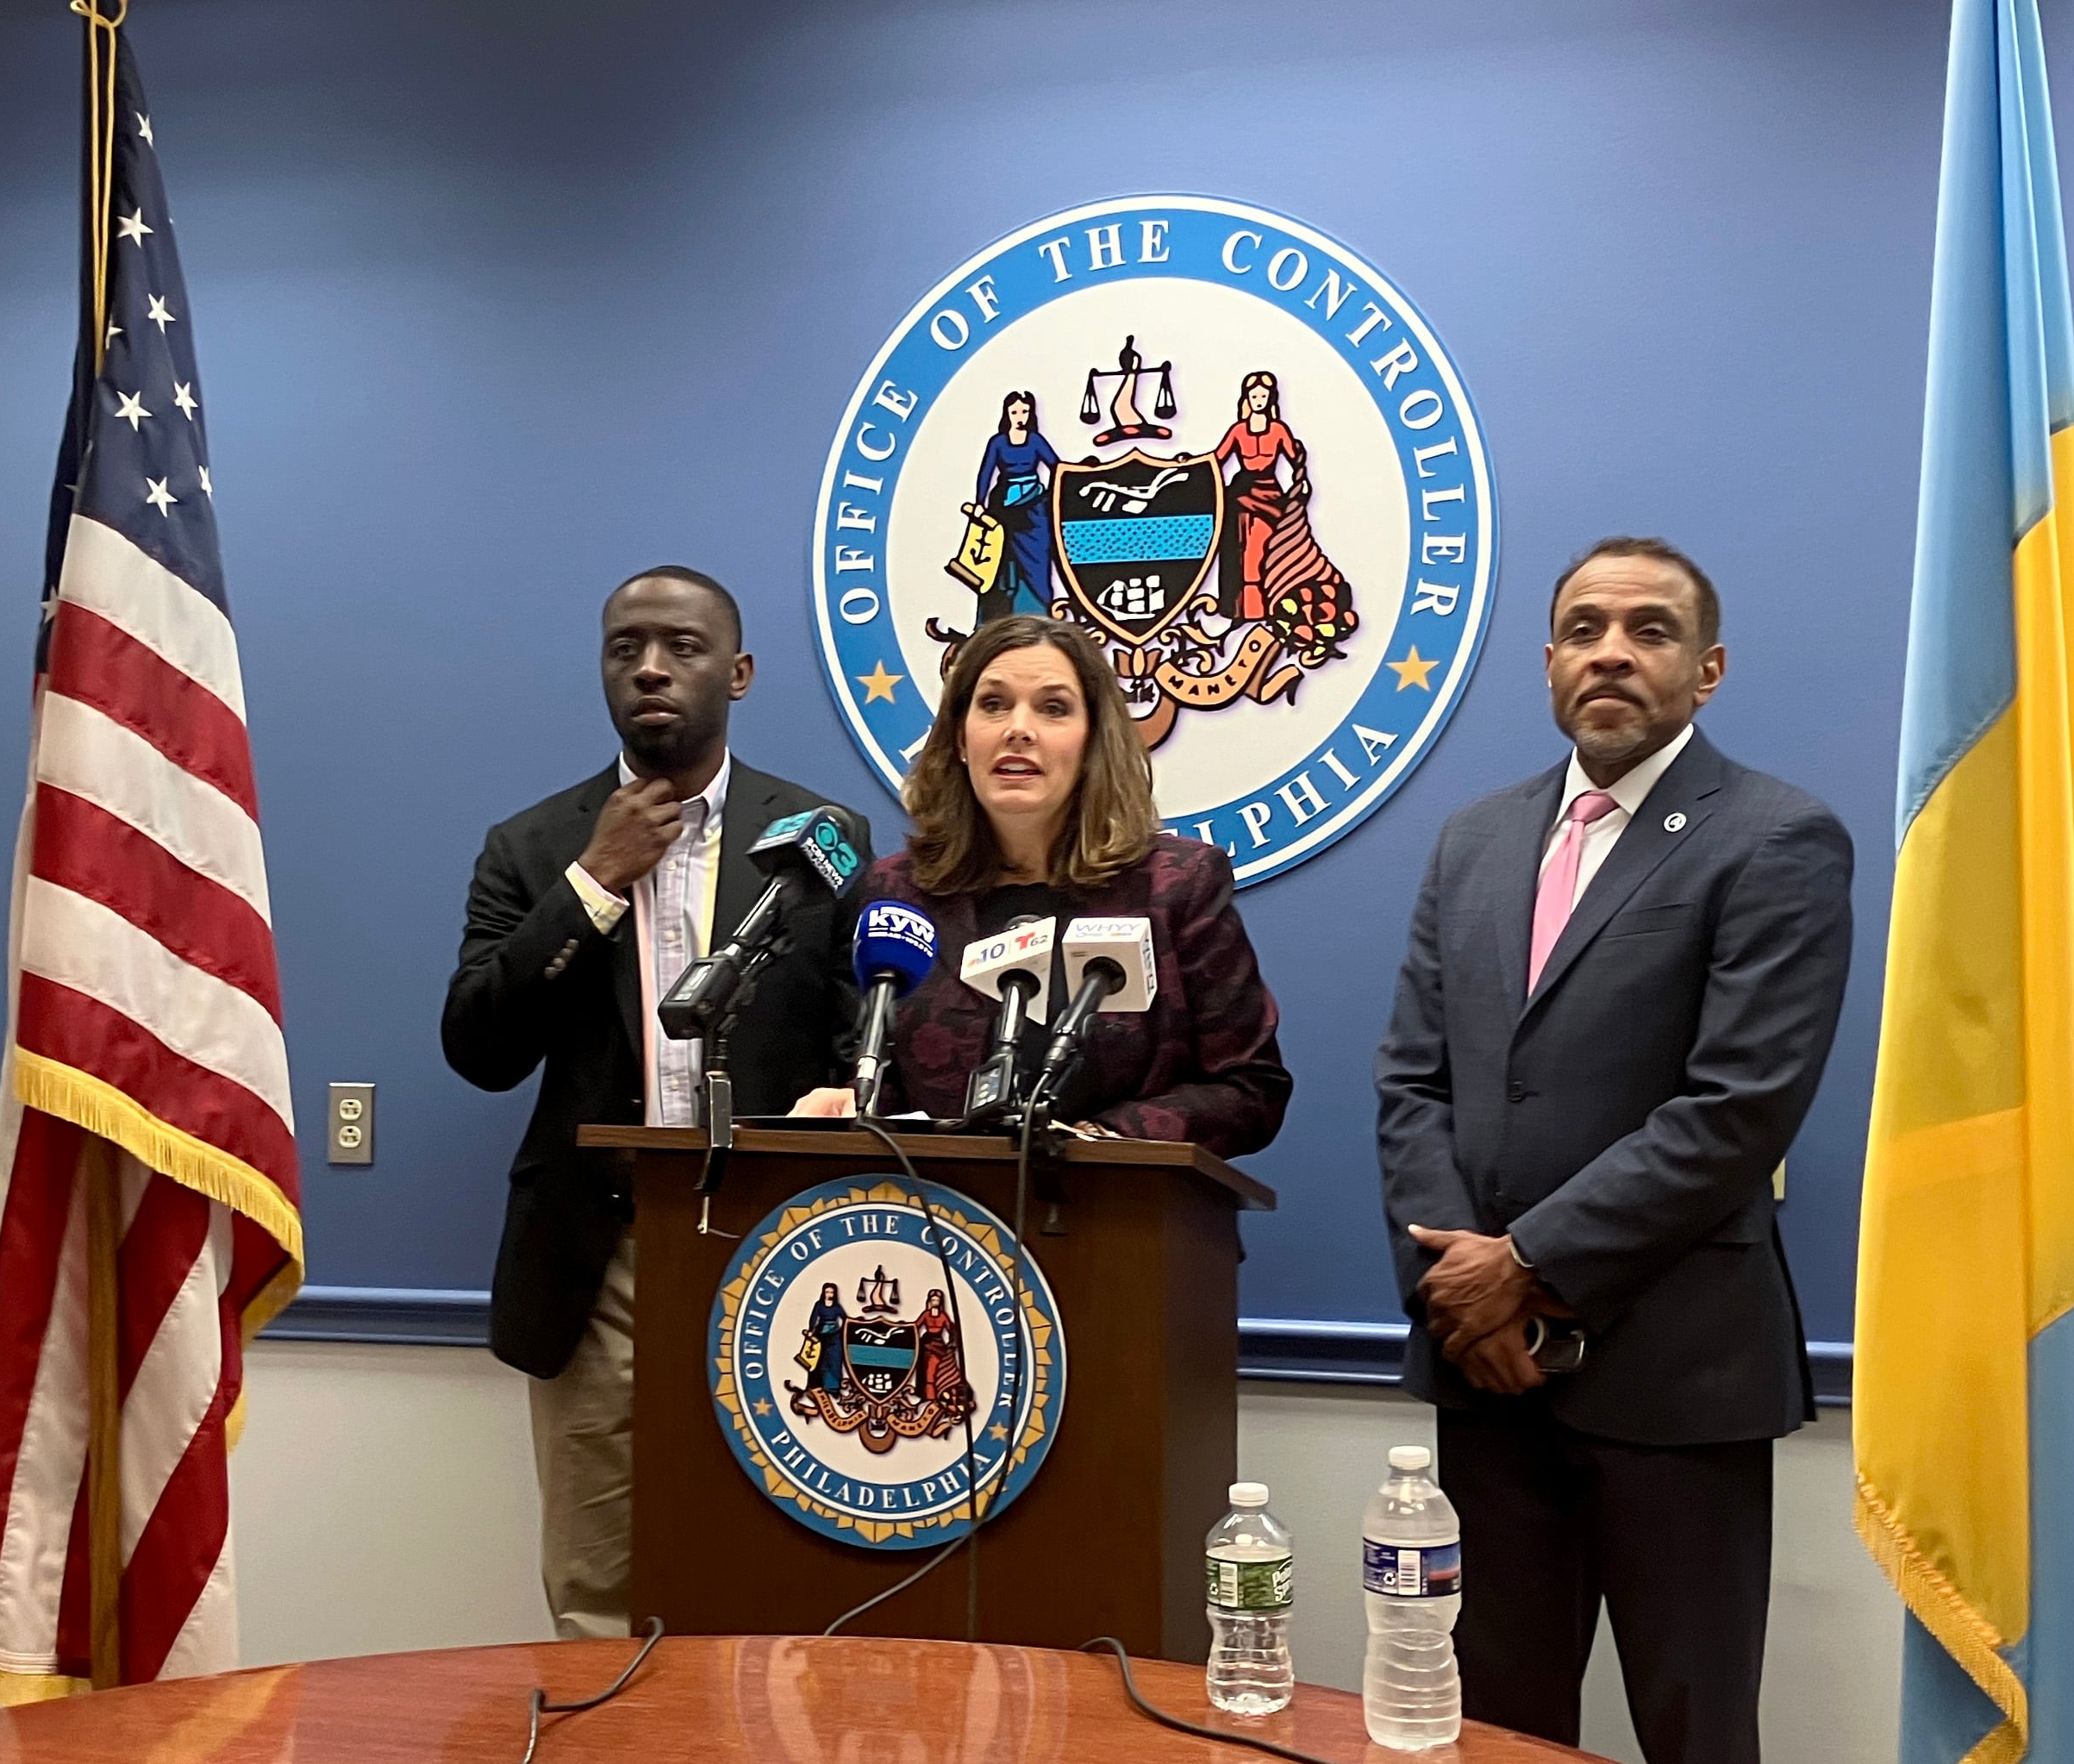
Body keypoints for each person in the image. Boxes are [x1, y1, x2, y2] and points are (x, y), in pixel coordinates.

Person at [1373, 538, 1852, 1764]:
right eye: (1583, 628)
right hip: (1488, 1380)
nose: (1610, 653)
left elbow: (1735, 1108)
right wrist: (1459, 1292)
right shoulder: (1471, 842)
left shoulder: (1777, 837)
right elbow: (1411, 1083)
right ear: (1546, 664)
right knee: (1493, 1727)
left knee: (1692, 1728)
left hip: (1675, 1382)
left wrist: (1524, 1264)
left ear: (1707, 670)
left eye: (1648, 630)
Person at [440, 565, 869, 1640]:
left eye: (679, 645)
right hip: (601, 1260)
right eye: (625, 647)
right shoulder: (533, 846)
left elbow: (868, 1037)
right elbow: (477, 1048)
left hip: (779, 1248)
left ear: (739, 671)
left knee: (778, 1565)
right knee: (596, 1588)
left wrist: (849, 1095)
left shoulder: (825, 839)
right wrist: (593, 881)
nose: (649, 667)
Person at [793, 615, 1290, 1151]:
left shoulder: (1175, 887)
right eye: (993, 704)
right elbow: (892, 1081)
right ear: (960, 738)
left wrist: (1103, 1140)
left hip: (1118, 1217)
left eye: (1053, 708)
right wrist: (855, 1101)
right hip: (943, 1222)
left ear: (1092, 740)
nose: (1018, 729)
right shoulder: (899, 891)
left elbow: (1249, 1089)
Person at [1210, 371, 1353, 658]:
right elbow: (1218, 458)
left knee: (1266, 551)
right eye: (1254, 396)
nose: (1259, 400)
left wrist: (1301, 482)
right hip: (1241, 494)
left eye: (1263, 395)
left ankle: (1268, 606)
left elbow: (1294, 456)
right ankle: (1242, 609)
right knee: (1241, 554)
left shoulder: (1278, 430)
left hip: (1270, 493)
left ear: (1270, 398)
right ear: (1247, 400)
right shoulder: (1238, 430)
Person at [970, 391, 1061, 625]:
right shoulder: (998, 443)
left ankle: (1037, 613)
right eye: (1014, 412)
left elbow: (1057, 466)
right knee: (999, 561)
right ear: (1007, 414)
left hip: (1033, 509)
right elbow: (986, 473)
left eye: (1024, 411)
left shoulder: (1035, 441)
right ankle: (996, 617)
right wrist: (980, 503)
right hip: (1004, 508)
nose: (1019, 416)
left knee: (1037, 561)